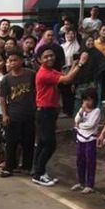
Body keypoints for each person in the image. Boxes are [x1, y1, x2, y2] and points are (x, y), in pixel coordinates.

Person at [32, 45, 88, 186]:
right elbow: (67, 80)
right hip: (45, 111)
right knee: (50, 144)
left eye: (51, 55)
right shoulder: (44, 73)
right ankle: (38, 174)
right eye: (46, 56)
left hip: (48, 111)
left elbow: (64, 76)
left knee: (43, 143)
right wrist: (80, 64)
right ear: (39, 60)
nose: (50, 58)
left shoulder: (50, 71)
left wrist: (74, 65)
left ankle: (38, 171)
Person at [0, 48, 37, 178]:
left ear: (21, 61)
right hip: (13, 115)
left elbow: (37, 91)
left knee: (28, 142)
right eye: (10, 61)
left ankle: (27, 166)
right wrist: (4, 115)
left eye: (15, 60)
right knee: (11, 143)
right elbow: (2, 98)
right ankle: (9, 167)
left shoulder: (31, 75)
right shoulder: (6, 79)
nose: (13, 63)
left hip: (29, 114)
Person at [70, 88, 101, 194]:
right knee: (80, 160)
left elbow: (90, 125)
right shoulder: (82, 109)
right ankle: (81, 182)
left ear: (94, 100)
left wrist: (79, 125)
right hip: (80, 138)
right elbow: (75, 119)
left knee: (90, 161)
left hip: (90, 139)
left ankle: (90, 184)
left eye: (89, 100)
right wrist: (82, 111)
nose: (87, 102)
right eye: (85, 100)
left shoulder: (96, 111)